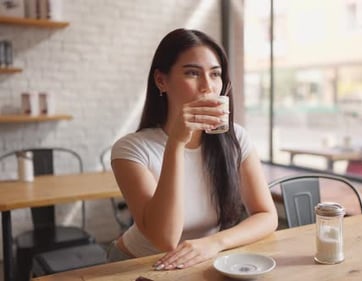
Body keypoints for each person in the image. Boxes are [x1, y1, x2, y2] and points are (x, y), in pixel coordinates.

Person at [108, 28, 278, 270]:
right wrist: (176, 143)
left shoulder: (236, 138)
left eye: (215, 74)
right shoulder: (131, 150)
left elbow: (267, 215)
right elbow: (165, 238)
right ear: (161, 80)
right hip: (137, 265)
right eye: (192, 73)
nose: (207, 86)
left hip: (203, 260)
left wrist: (214, 243)